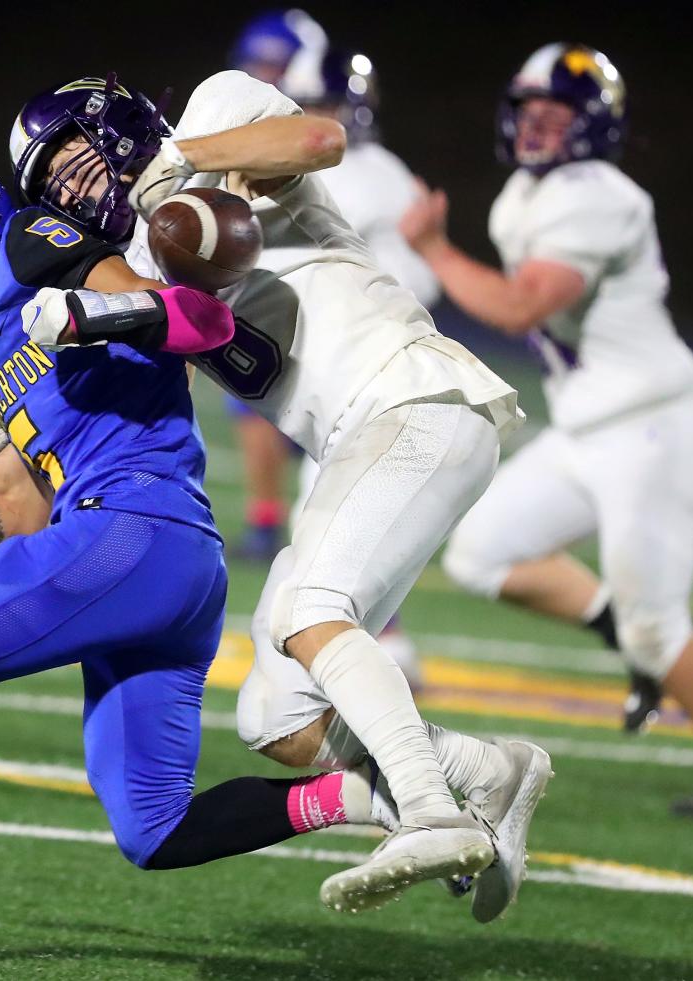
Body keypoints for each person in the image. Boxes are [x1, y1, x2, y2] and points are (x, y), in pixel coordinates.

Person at [0, 152, 394, 962]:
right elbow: (23, 524)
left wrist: (93, 314)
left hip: (137, 525)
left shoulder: (27, 243)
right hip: (158, 558)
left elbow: (198, 321)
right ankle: (374, 793)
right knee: (155, 827)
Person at [10, 71, 550, 919]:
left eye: (73, 162)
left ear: (110, 125)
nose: (73, 191)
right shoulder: (146, 257)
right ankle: (487, 770)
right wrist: (85, 312)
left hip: (412, 394)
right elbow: (177, 318)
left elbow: (317, 141)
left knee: (312, 607)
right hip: (356, 440)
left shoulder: (215, 113)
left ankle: (428, 810)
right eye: (55, 188)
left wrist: (178, 158)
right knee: (276, 714)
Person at [399, 43, 693, 821]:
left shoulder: (600, 195)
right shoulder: (522, 197)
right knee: (481, 551)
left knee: (659, 627)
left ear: (594, 125)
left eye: (557, 114)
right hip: (590, 429)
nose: (538, 127)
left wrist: (435, 250)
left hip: (656, 430)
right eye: (530, 112)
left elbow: (520, 308)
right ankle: (620, 628)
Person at [229, 9, 443, 684]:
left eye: (319, 106)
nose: (310, 118)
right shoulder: (391, 171)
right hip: (381, 372)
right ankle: (391, 653)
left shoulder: (350, 172)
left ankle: (381, 688)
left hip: (373, 380)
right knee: (334, 536)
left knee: (323, 546)